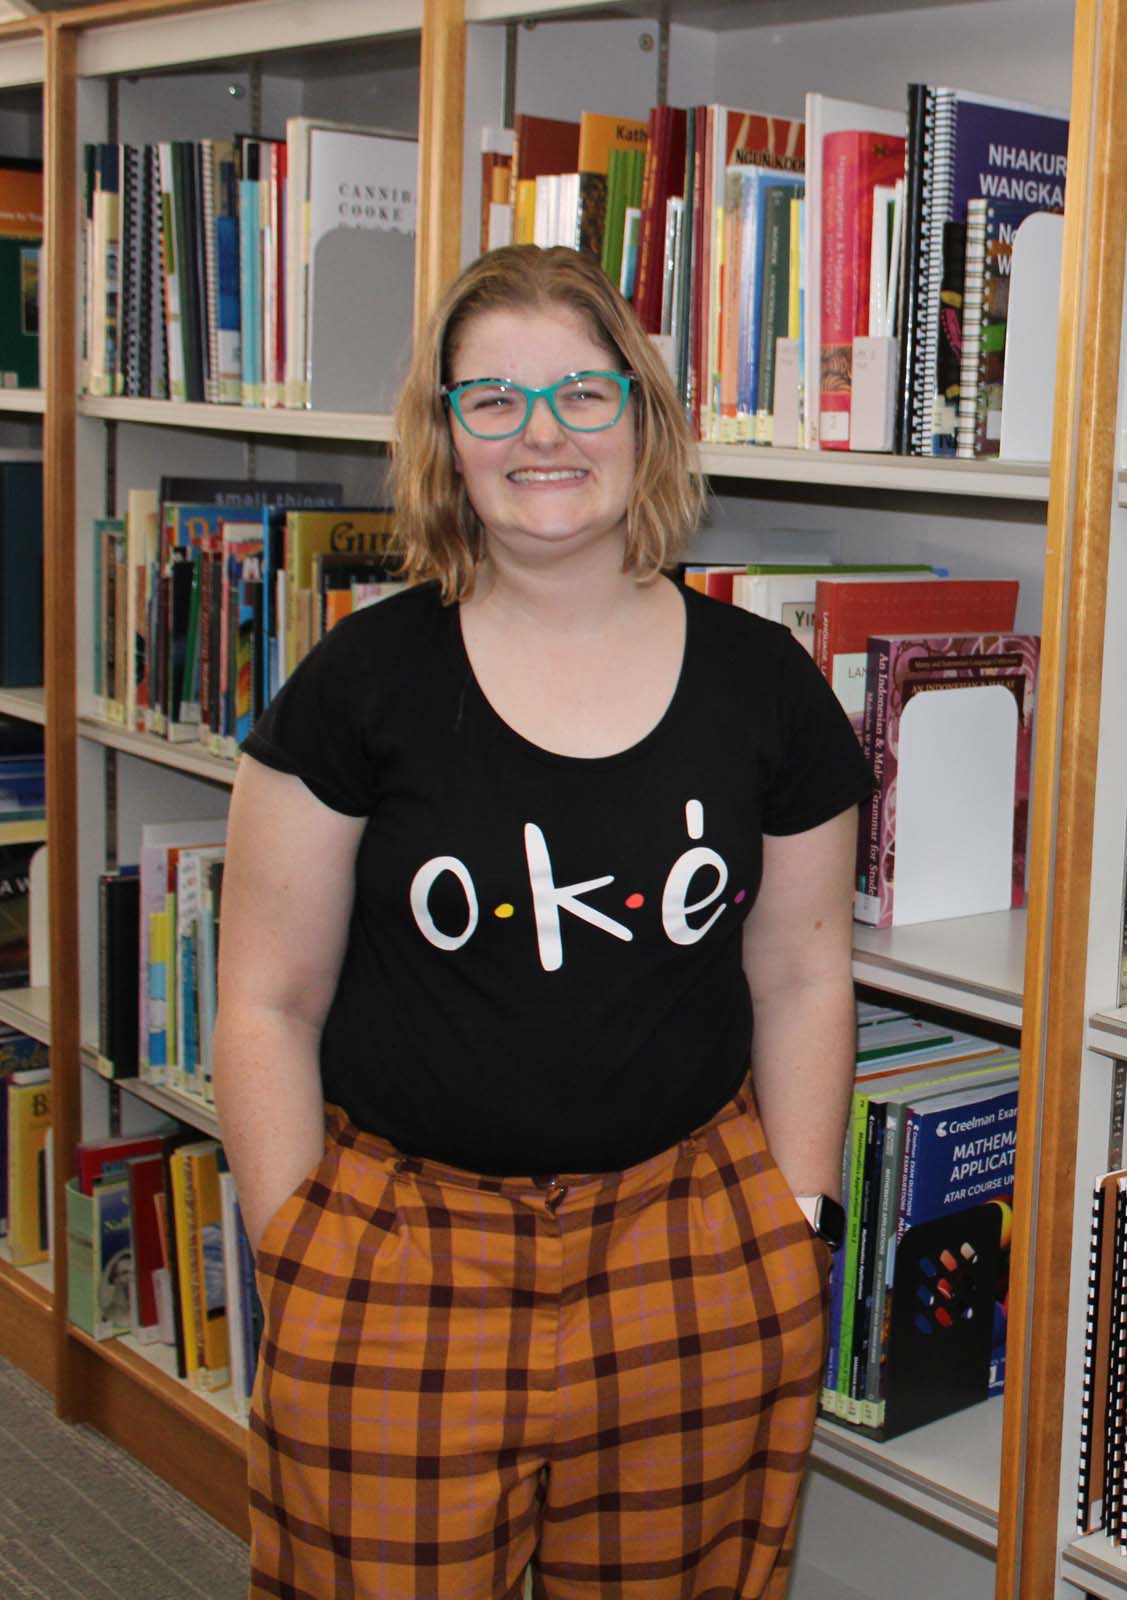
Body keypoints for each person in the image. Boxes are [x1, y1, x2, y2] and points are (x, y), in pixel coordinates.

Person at [214, 244, 869, 1599]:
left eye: (584, 390)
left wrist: (796, 1222)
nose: (544, 433)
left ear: (647, 415)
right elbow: (265, 999)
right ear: (444, 438)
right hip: (404, 1256)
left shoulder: (767, 688)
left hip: (688, 1252)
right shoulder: (359, 686)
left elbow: (804, 975)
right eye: (493, 400)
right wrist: (297, 1252)